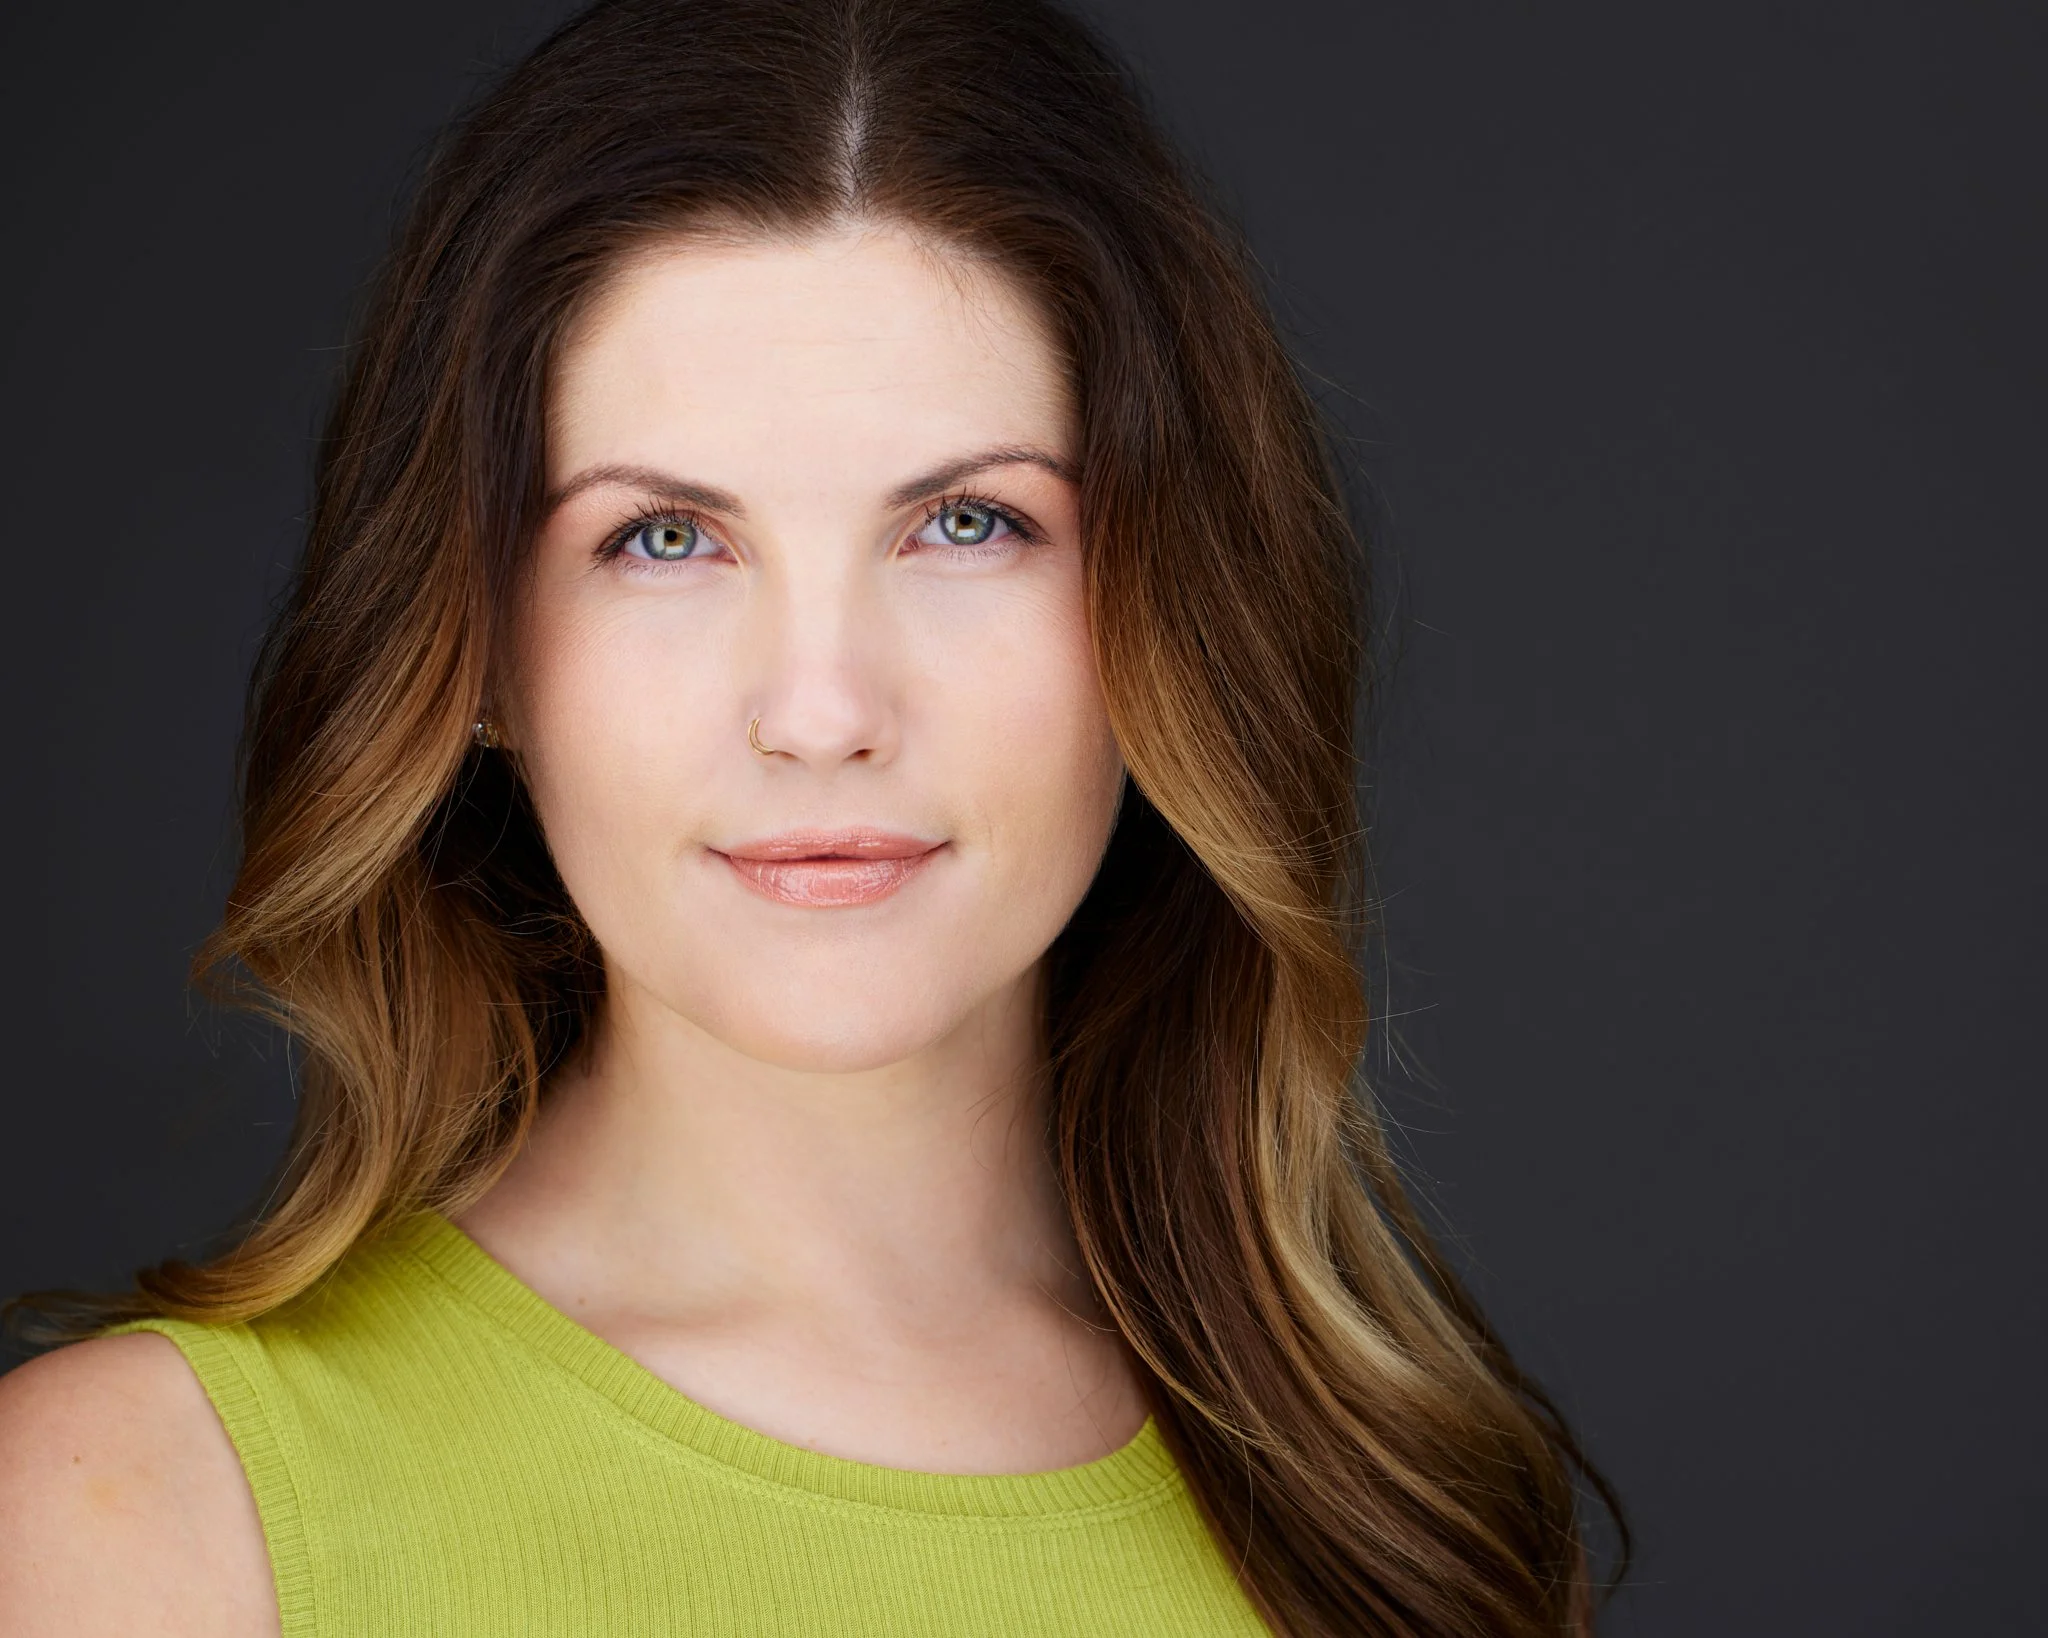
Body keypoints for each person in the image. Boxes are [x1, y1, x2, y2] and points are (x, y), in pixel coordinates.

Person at [0, 0, 1622, 1632]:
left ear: (1167, 615)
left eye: (968, 522)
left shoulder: (1403, 1518)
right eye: (665, 540)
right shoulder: (135, 1519)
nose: (825, 709)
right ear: (479, 651)